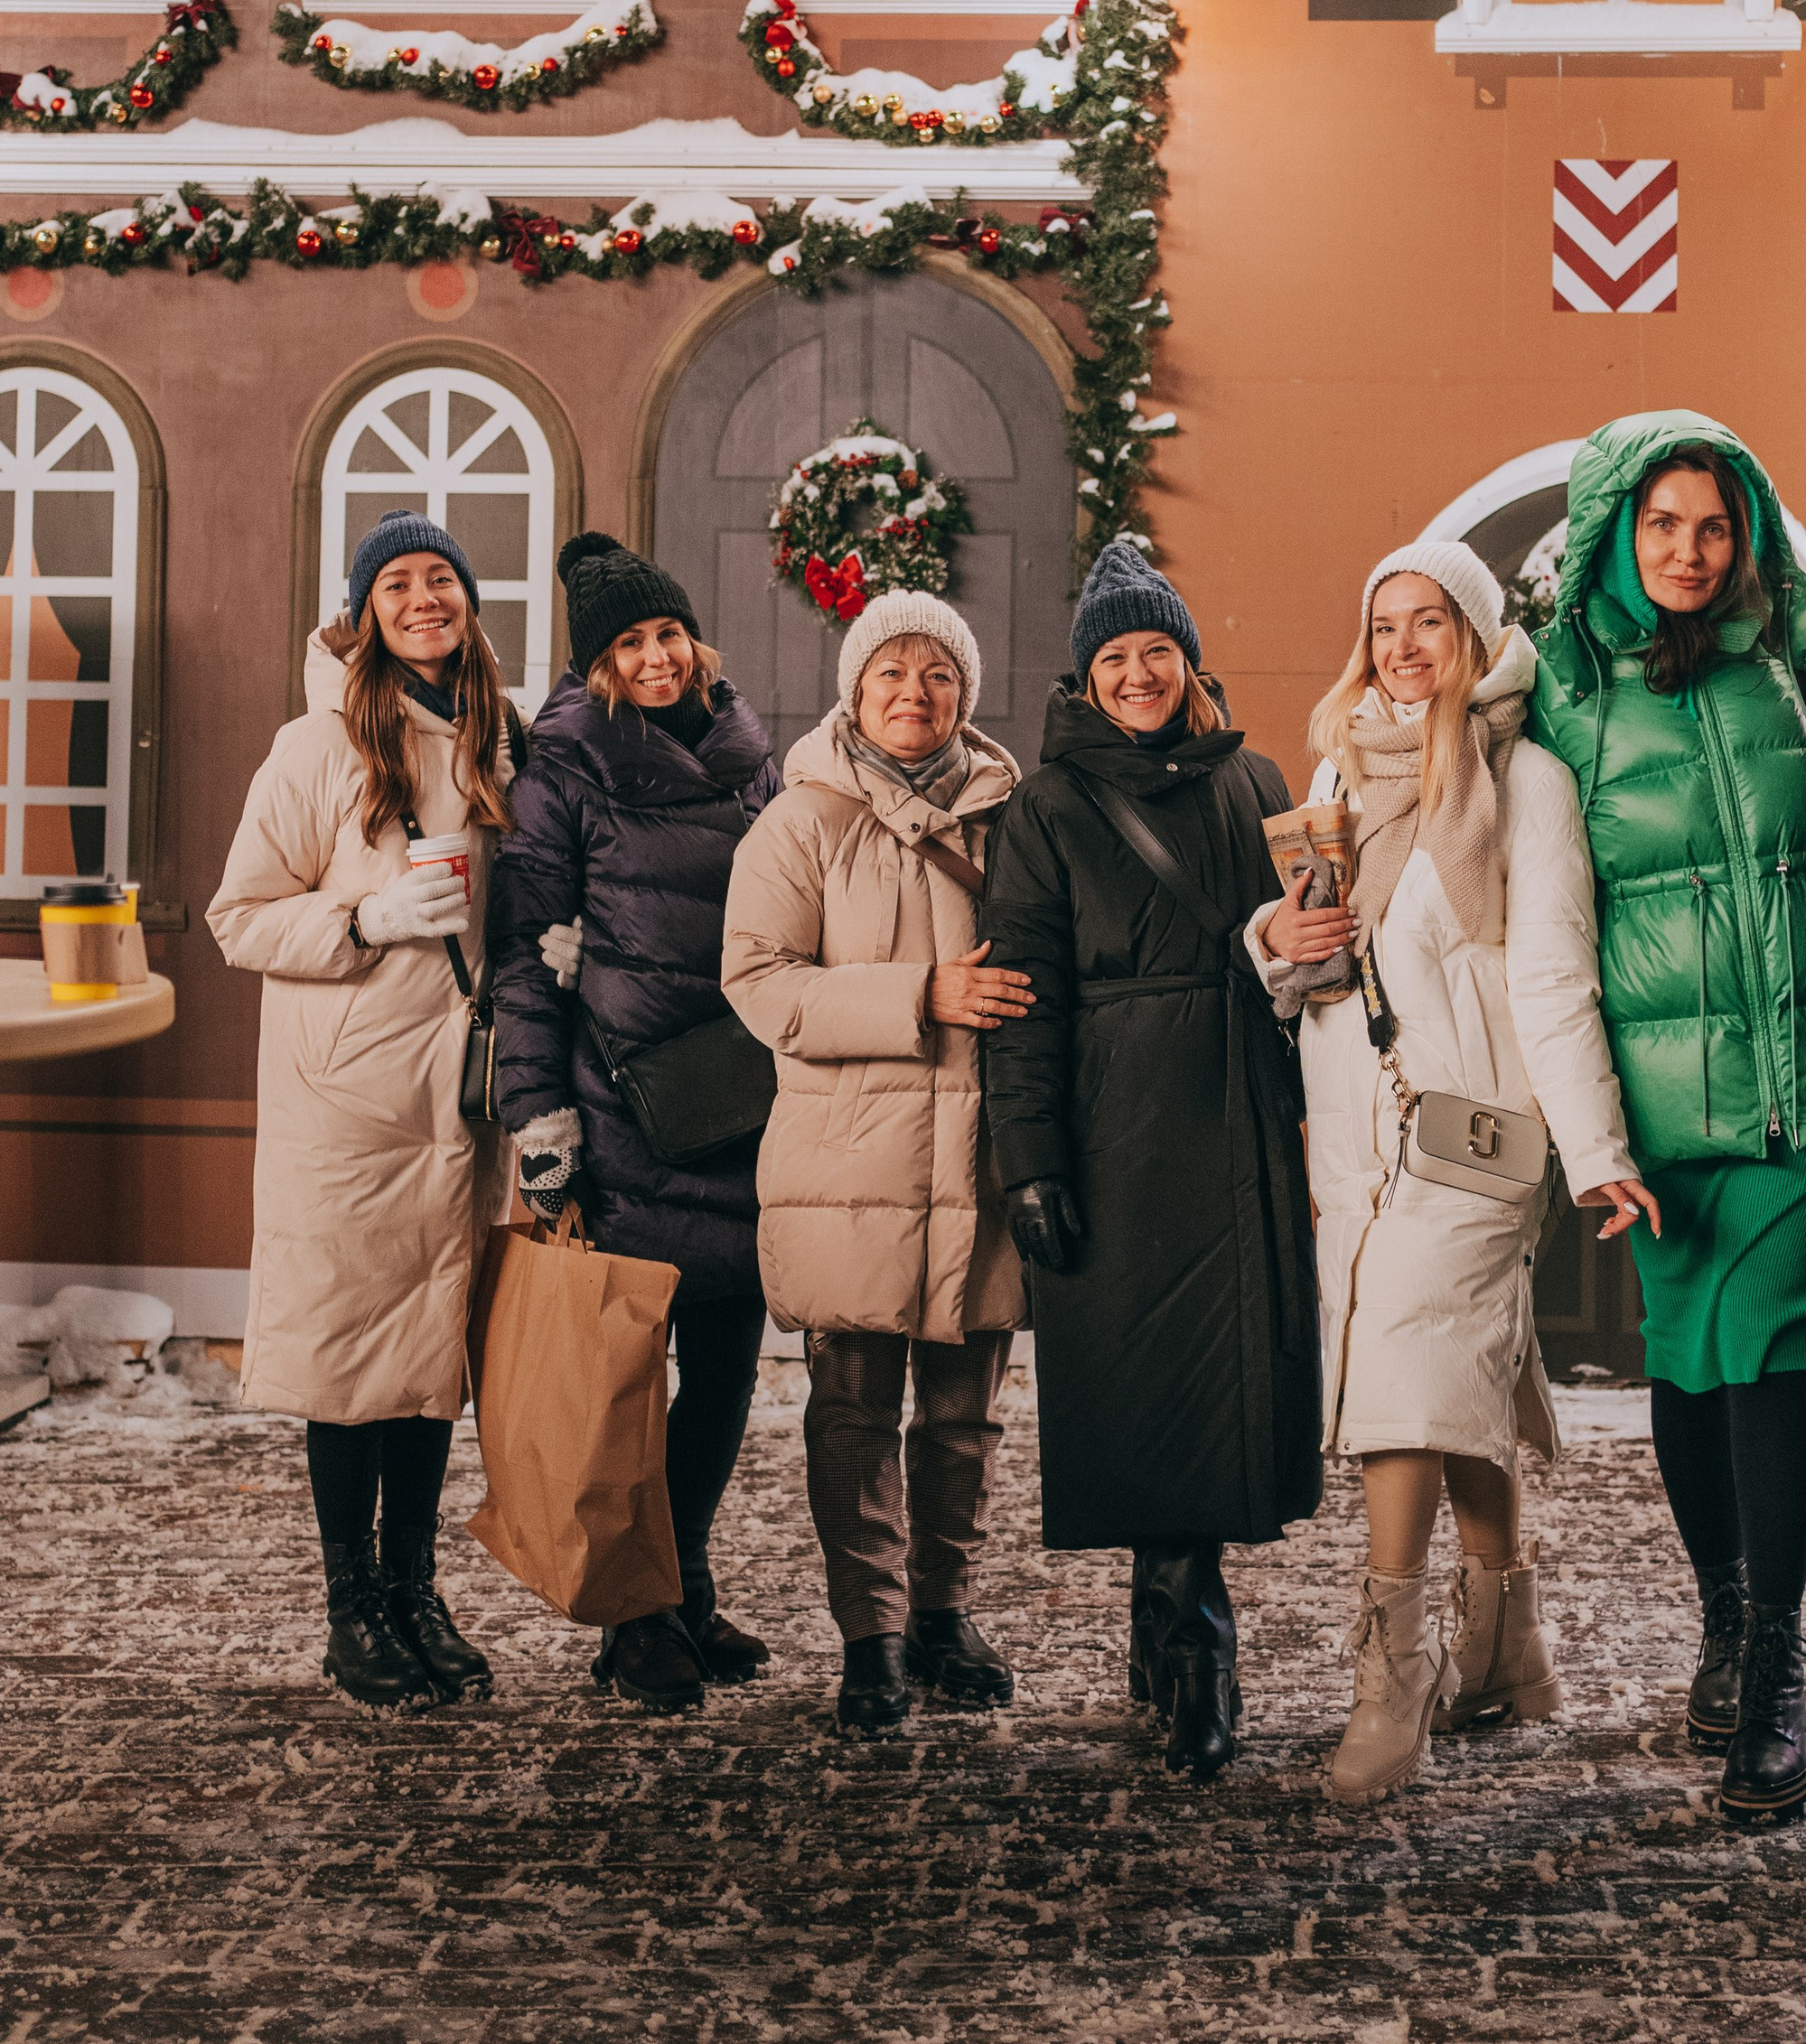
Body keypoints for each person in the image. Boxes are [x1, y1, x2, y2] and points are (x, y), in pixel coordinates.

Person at [1253, 540, 1658, 1806]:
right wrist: (1277, 936)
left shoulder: (1524, 780)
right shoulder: (1340, 768)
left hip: (1477, 1135)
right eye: (1385, 625)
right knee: (1447, 1370)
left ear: (1476, 639)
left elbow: (1553, 972)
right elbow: (1320, 959)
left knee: (1403, 1382)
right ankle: (1505, 1648)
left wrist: (1594, 1150)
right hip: (1360, 1134)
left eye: (1430, 622)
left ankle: (1395, 1672)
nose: (1403, 647)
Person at [1529, 415, 1806, 1829]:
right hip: (1659, 1110)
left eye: (1715, 526)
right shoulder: (1561, 697)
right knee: (1686, 1355)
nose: (1690, 549)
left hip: (1796, 1091)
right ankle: (1721, 1610)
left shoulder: (1801, 669)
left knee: (1765, 1345)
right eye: (1662, 523)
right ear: (1618, 533)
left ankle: (1774, 1664)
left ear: (1747, 537)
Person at [980, 541, 1321, 1783]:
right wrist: (1029, 1161)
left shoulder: (1256, 781)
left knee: (1223, 1393)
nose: (1138, 674)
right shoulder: (1046, 807)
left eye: (1157, 651)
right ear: (1086, 677)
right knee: (1150, 1396)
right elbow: (1023, 992)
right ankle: (1192, 1651)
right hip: (1113, 1127)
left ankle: (1176, 1638)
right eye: (1116, 657)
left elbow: (1302, 950)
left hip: (1237, 1116)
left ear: (1189, 663)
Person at [211, 512, 516, 1710]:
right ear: (366, 612)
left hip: (457, 1097)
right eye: (398, 583)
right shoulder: (315, 746)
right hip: (345, 1103)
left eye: (442, 578)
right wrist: (365, 920)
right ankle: (352, 1609)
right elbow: (239, 917)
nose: (425, 598)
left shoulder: (500, 736)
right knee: (350, 1361)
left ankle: (412, 1590)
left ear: (468, 602)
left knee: (429, 1354)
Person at [722, 593, 1028, 1736]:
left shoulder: (1010, 818)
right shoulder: (799, 823)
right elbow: (759, 982)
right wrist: (918, 995)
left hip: (977, 1162)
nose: (914, 692)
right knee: (852, 1413)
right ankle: (873, 1635)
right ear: (854, 691)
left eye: (938, 674)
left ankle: (944, 1614)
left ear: (964, 695)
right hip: (845, 1165)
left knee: (964, 1418)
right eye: (891, 672)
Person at [487, 533, 778, 1714]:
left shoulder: (749, 754)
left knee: (727, 1367)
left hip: (739, 1102)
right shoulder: (564, 766)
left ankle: (685, 1581)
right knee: (621, 1383)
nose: (656, 658)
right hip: (621, 1113)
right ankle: (634, 1615)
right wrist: (540, 1124)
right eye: (629, 644)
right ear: (597, 665)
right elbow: (527, 952)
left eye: (668, 634)